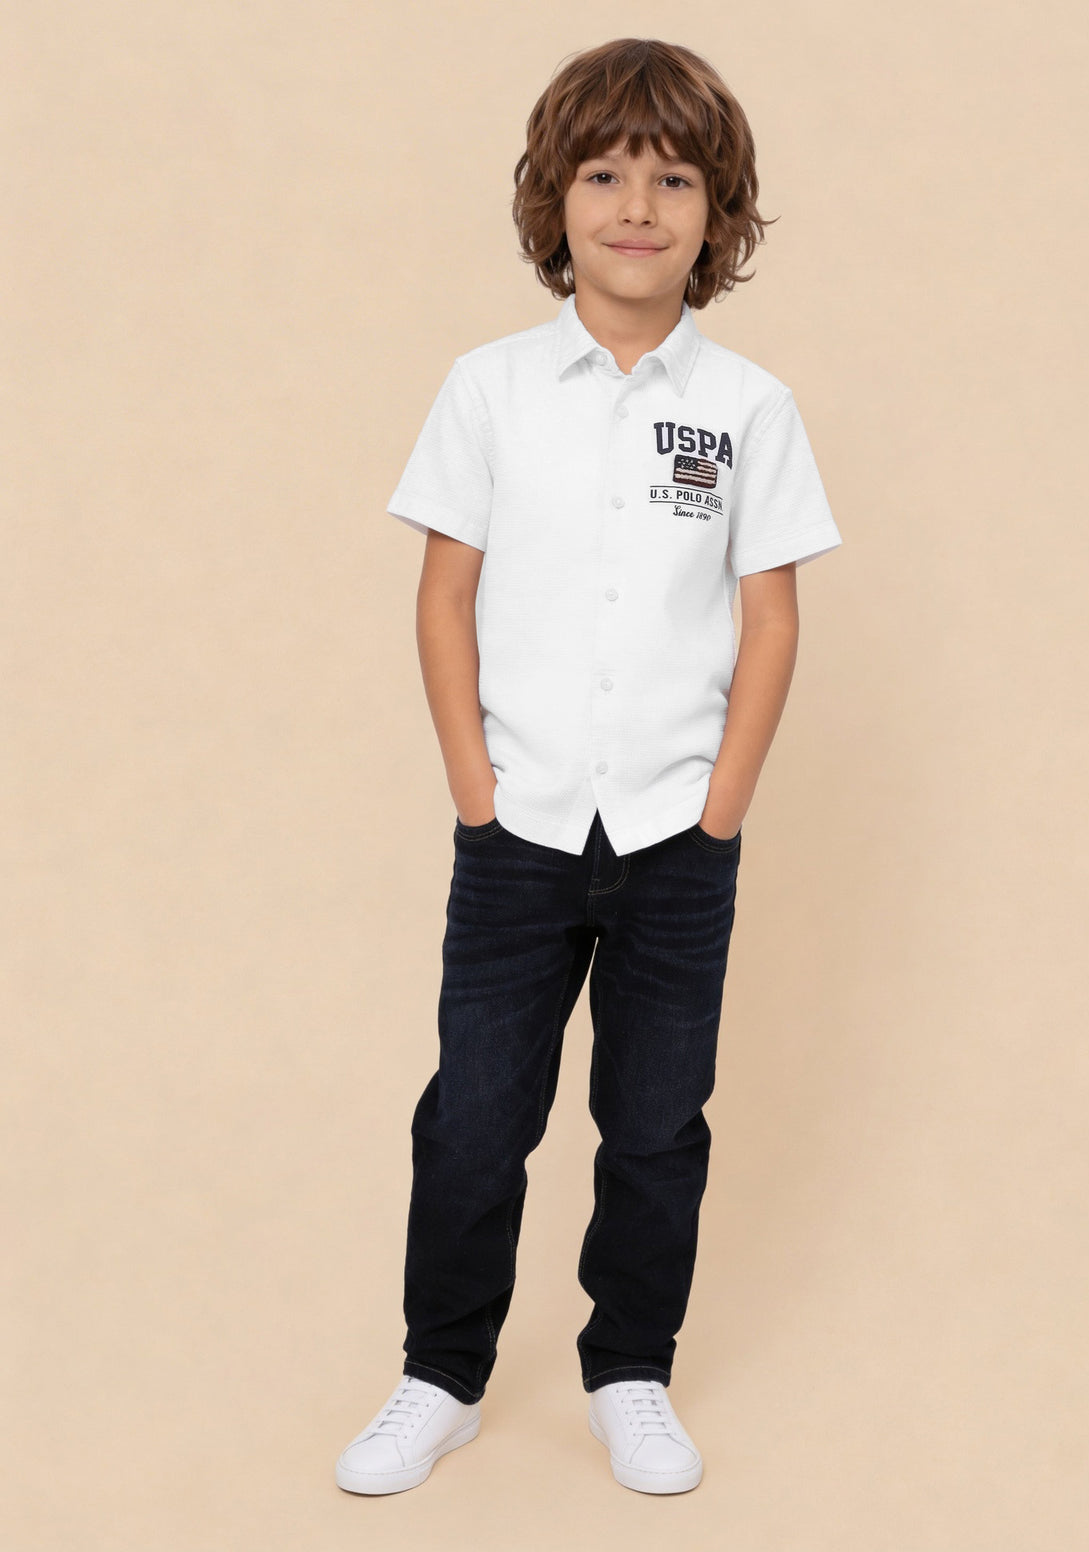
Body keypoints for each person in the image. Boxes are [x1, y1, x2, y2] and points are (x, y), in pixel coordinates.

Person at [335, 36, 842, 1498]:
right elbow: (444, 594)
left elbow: (769, 617)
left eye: (673, 180)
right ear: (553, 199)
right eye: (606, 174)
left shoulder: (748, 409)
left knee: (656, 1124)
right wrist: (475, 787)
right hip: (522, 828)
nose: (637, 206)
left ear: (717, 212)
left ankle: (631, 1370)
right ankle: (441, 1376)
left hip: (679, 836)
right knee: (475, 1118)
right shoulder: (489, 390)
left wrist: (722, 808)